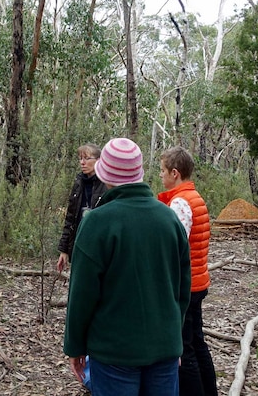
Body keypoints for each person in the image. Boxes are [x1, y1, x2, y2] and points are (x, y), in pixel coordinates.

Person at [63, 138, 191, 396]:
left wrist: (75, 347)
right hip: (163, 348)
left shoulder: (97, 222)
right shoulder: (168, 219)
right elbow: (182, 290)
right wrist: (174, 338)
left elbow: (82, 294)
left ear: (104, 174)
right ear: (139, 173)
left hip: (114, 352)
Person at [158, 146, 218, 396]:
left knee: (186, 349)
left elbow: (175, 248)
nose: (160, 176)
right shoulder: (194, 197)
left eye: (162, 171)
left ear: (175, 173)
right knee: (197, 342)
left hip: (187, 286)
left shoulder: (181, 203)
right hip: (197, 281)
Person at [56, 143, 107, 274]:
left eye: (86, 158)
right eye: (80, 158)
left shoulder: (107, 185)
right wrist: (64, 250)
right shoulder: (79, 183)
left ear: (98, 160)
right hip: (79, 242)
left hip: (99, 247)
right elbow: (70, 218)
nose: (82, 162)